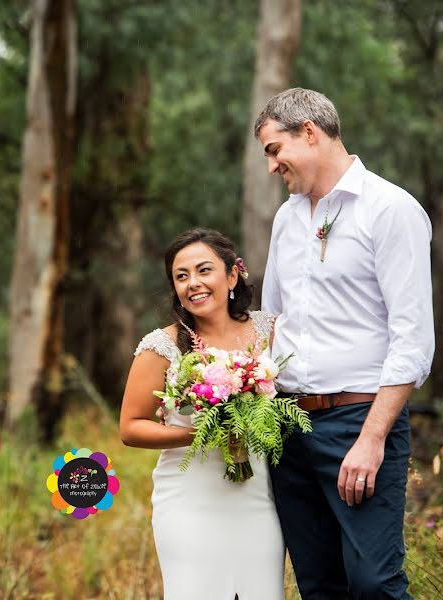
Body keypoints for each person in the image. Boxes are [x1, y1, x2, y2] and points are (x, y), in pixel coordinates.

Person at [256, 88, 435, 599]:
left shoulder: (391, 209)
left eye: (274, 150)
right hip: (288, 427)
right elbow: (273, 321)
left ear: (309, 132)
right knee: (319, 585)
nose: (272, 166)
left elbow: (413, 340)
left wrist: (373, 438)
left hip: (358, 422)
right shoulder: (287, 218)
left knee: (374, 584)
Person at [119, 228, 283, 600]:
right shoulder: (160, 347)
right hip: (189, 500)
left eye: (204, 270)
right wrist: (203, 433)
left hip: (257, 496)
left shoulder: (269, 331)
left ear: (231, 275)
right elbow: (130, 428)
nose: (193, 283)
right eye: (181, 276)